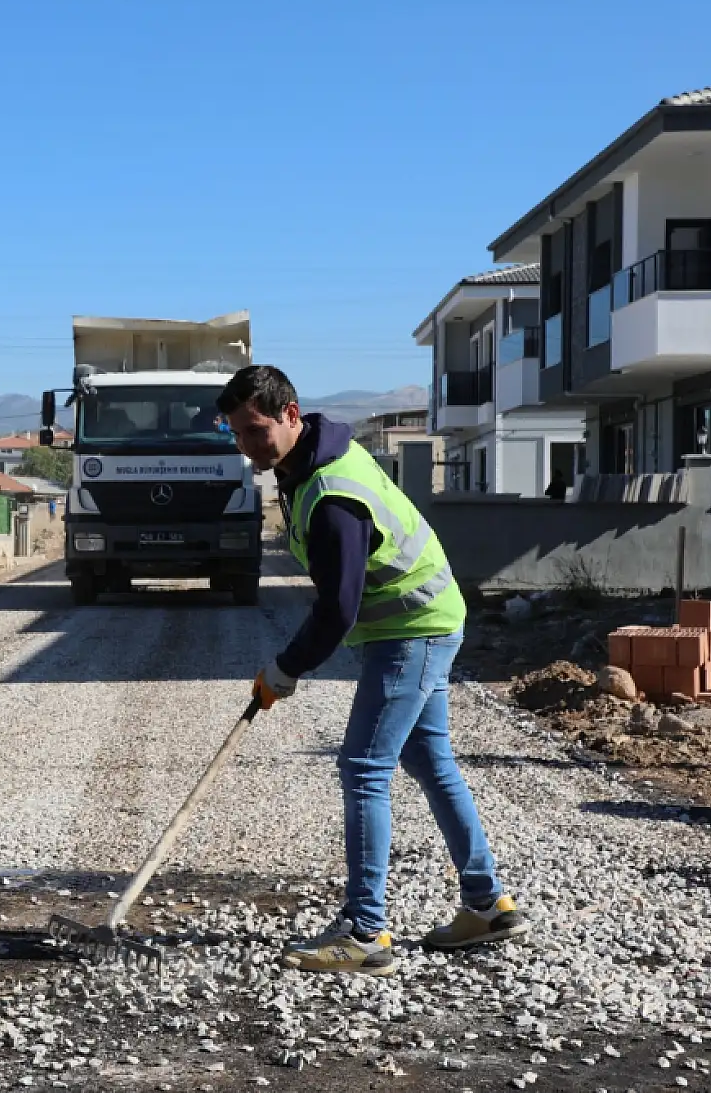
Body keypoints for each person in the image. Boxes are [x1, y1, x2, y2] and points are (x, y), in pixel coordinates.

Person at [218, 365, 528, 975]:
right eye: (235, 434)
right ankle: (487, 904)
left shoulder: (332, 491)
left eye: (253, 430)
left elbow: (338, 608)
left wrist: (285, 668)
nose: (245, 446)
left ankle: (365, 932)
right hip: (423, 621)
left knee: (363, 767)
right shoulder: (305, 462)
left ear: (290, 414)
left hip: (412, 629)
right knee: (429, 761)